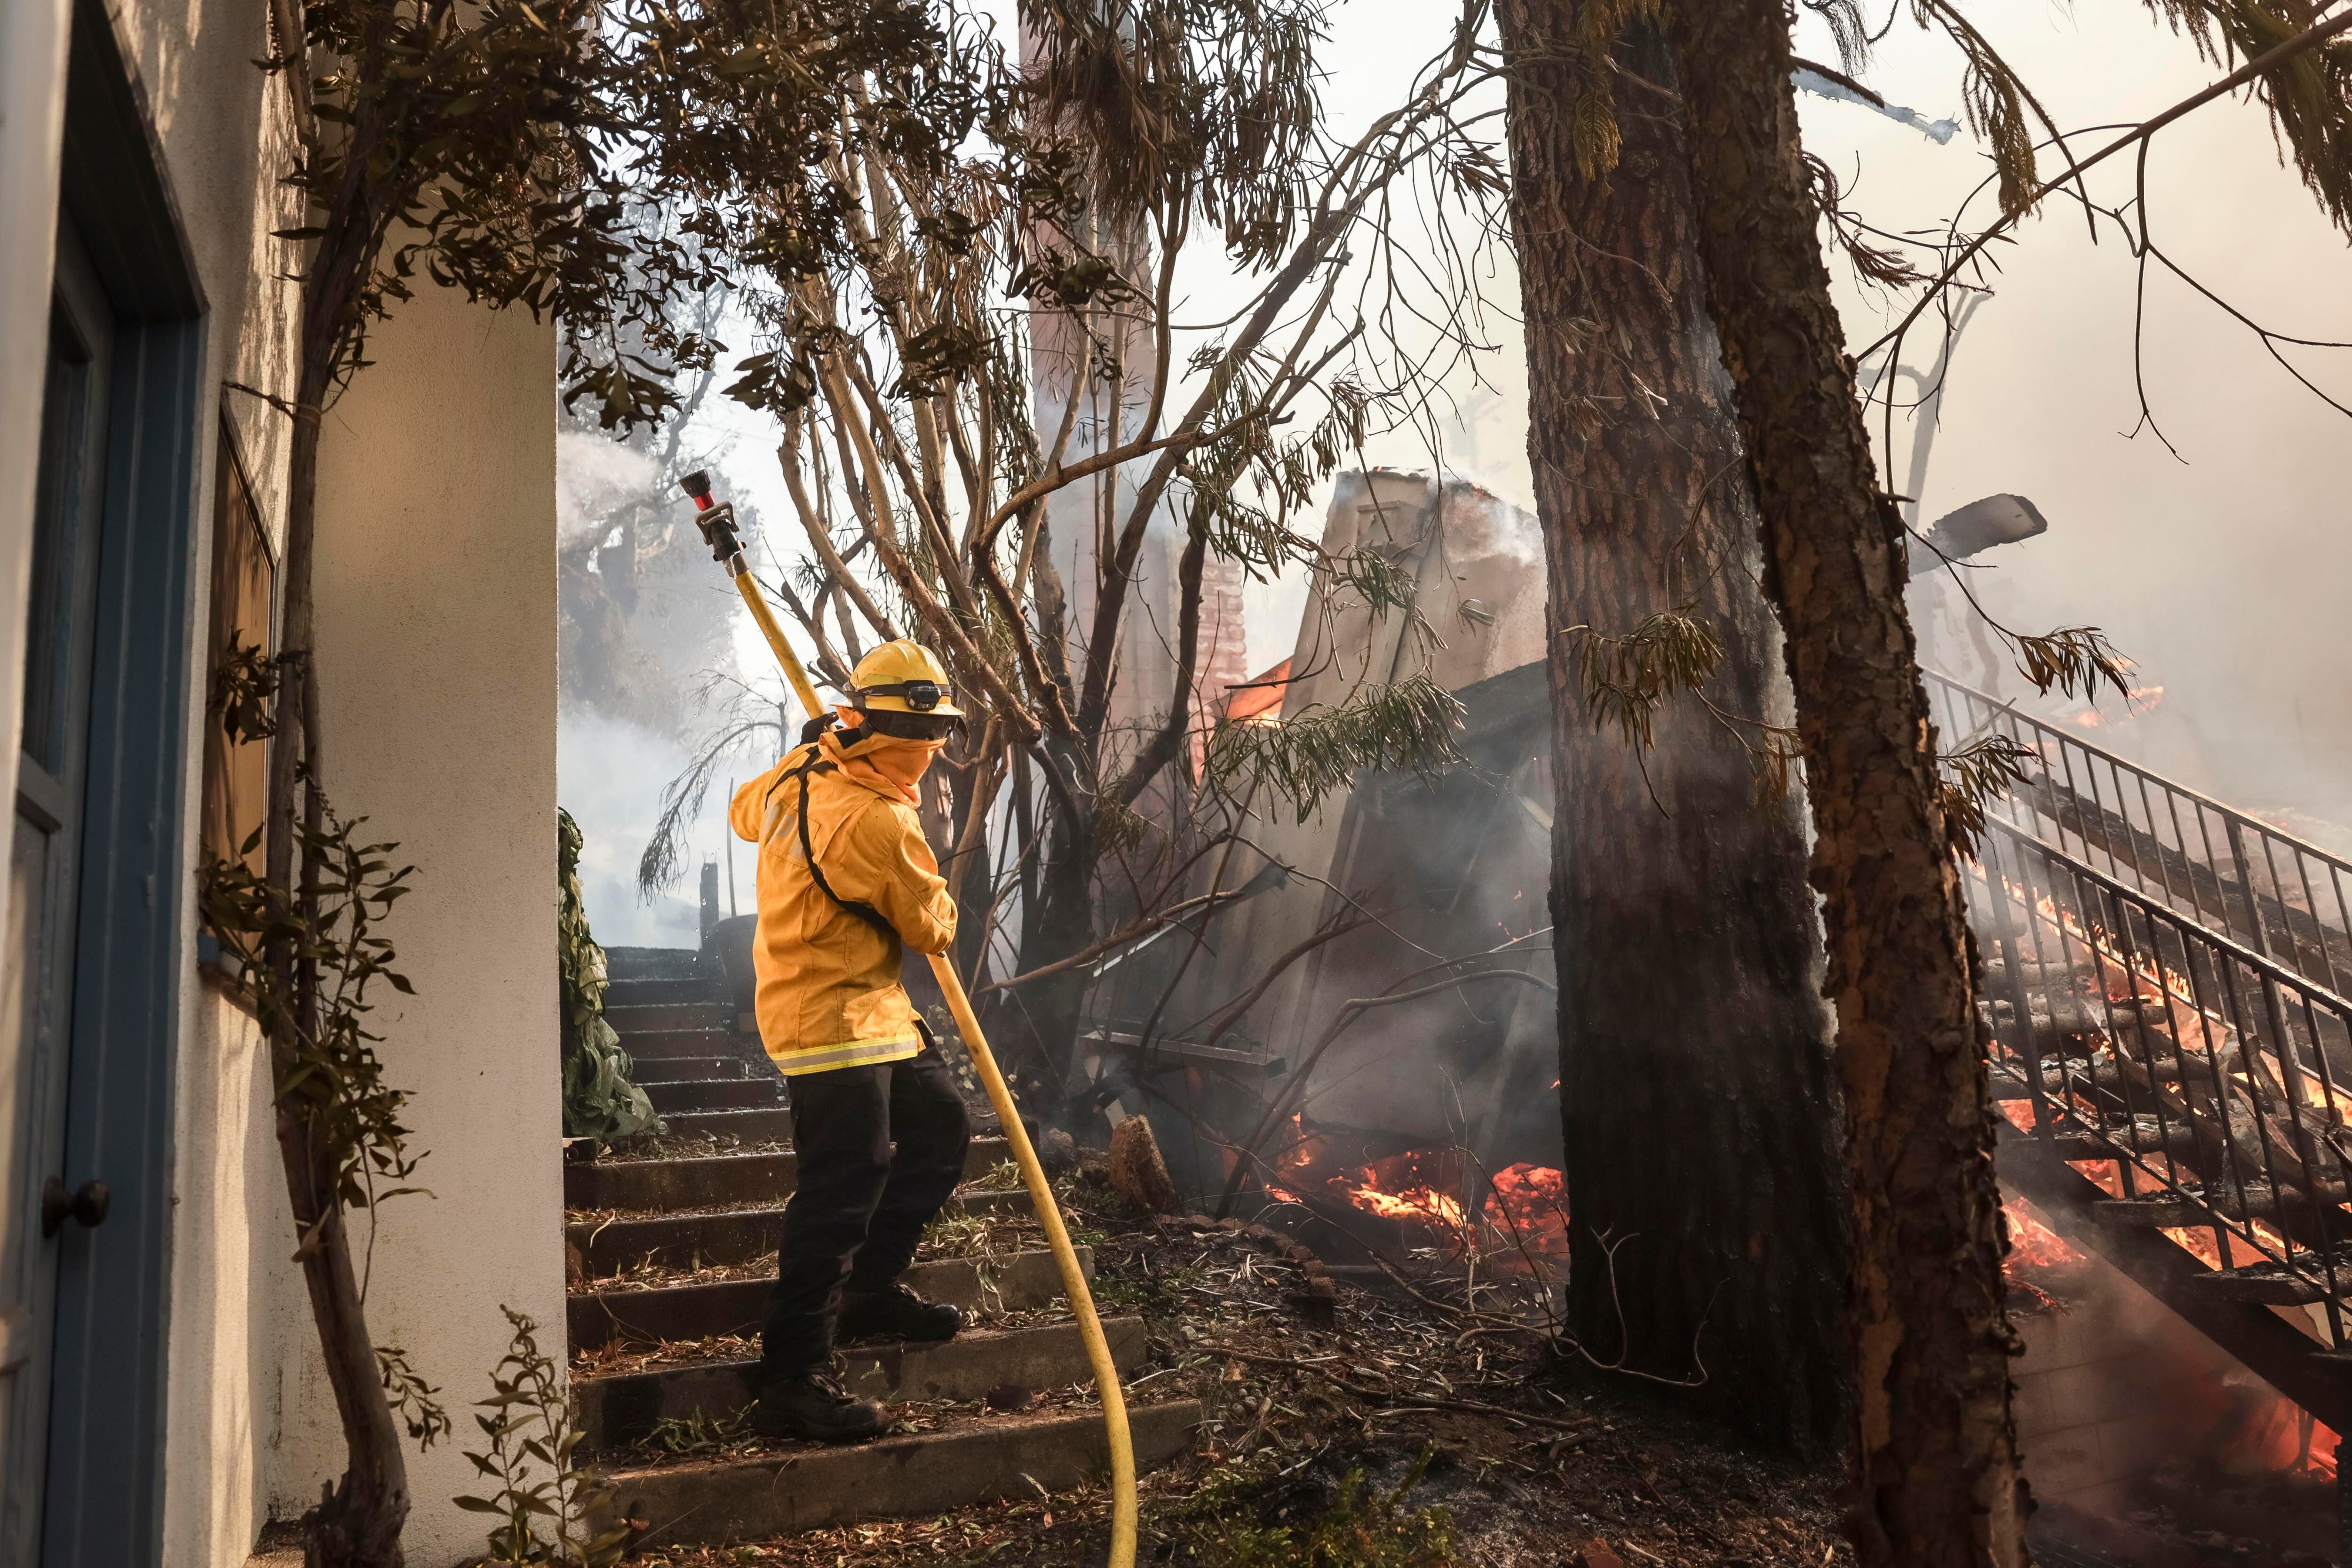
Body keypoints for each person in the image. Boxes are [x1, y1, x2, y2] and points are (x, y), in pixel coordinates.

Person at [728, 638, 972, 1441]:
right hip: (833, 1026)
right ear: (915, 741)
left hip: (873, 1011)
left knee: (940, 1127)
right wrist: (922, 840)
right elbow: (933, 924)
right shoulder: (879, 819)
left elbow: (741, 812)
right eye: (928, 744)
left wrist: (803, 752)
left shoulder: (800, 775)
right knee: (841, 1189)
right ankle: (791, 1374)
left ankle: (868, 1291)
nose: (930, 757)